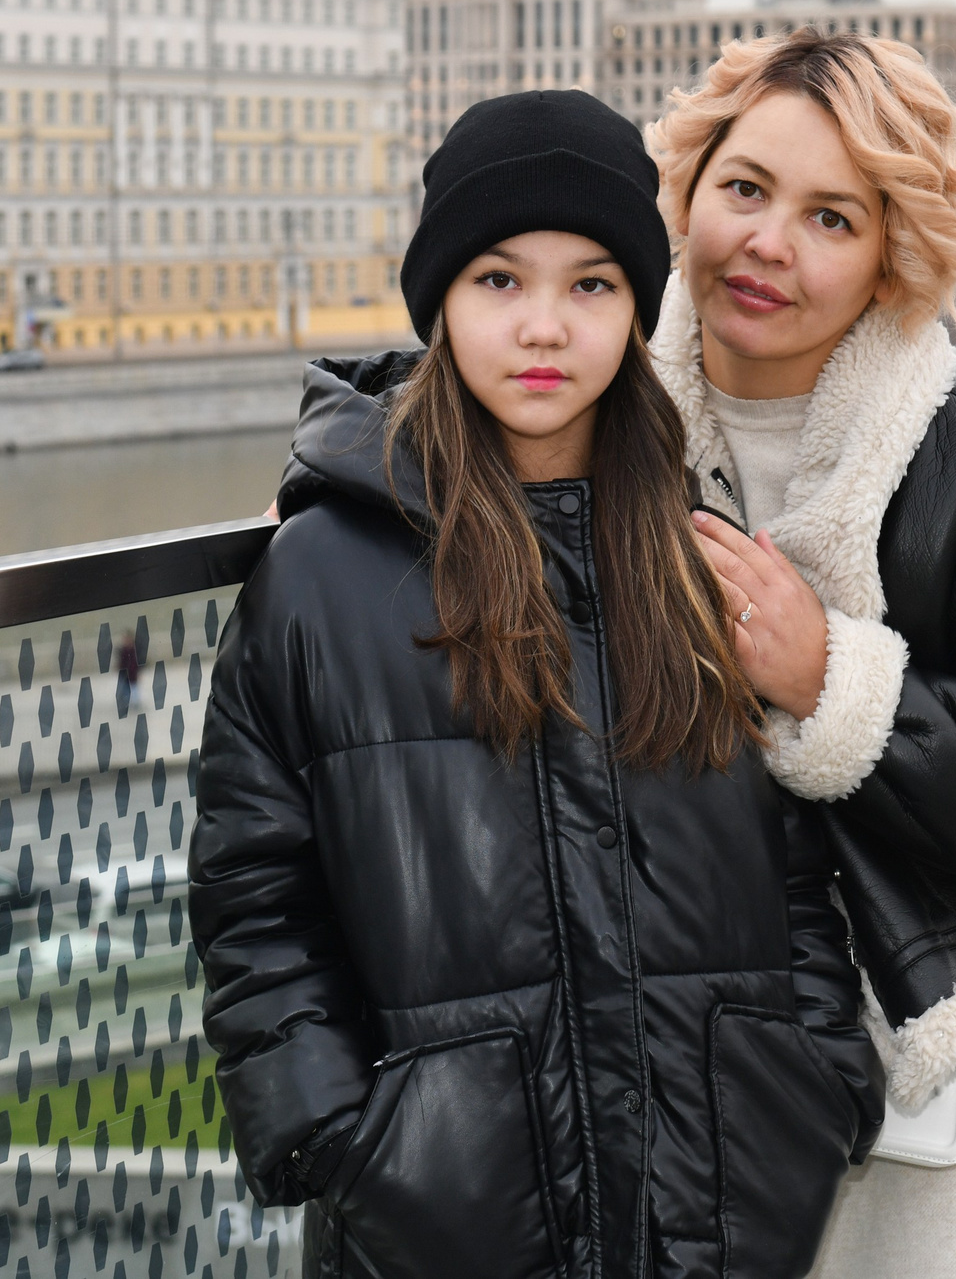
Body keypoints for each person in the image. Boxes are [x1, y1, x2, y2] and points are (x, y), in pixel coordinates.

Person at [193, 89, 882, 1279]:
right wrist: (335, 1135)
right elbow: (254, 884)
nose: (545, 326)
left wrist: (817, 1078)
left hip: (712, 1210)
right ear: (441, 302)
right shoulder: (321, 572)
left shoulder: (695, 554)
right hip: (439, 1218)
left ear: (634, 311)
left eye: (592, 284)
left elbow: (789, 863)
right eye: (499, 281)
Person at [648, 30, 956, 1278]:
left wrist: (835, 684)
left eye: (830, 216)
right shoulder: (609, 423)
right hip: (730, 1054)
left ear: (887, 258)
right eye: (744, 189)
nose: (767, 242)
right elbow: (465, 376)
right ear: (688, 192)